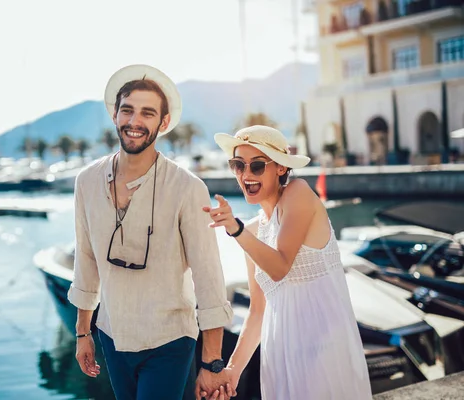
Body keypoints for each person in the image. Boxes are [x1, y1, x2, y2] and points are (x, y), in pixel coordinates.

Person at [68, 64, 235, 400]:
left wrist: (212, 362)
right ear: (114, 115)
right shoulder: (87, 181)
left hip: (169, 339)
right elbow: (86, 260)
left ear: (163, 123)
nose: (135, 121)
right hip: (112, 334)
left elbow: (209, 277)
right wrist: (82, 332)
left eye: (147, 113)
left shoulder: (188, 188)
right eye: (127, 110)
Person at [203, 125, 373, 399]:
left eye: (257, 166)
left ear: (281, 168)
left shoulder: (298, 192)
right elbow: (257, 312)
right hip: (280, 353)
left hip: (324, 348)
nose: (245, 175)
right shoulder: (253, 231)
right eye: (237, 165)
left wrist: (235, 230)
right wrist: (231, 374)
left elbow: (280, 266)